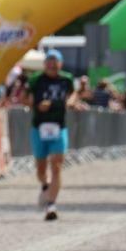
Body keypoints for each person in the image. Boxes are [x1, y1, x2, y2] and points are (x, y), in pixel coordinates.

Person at [24, 49, 79, 221]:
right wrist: (36, 104)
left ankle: (51, 204)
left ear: (60, 64)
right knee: (41, 168)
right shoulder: (36, 80)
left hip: (59, 126)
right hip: (39, 127)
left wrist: (70, 102)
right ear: (44, 64)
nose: (52, 66)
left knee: (56, 165)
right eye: (49, 63)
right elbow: (25, 98)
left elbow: (73, 94)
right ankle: (45, 184)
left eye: (55, 63)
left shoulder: (66, 79)